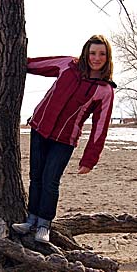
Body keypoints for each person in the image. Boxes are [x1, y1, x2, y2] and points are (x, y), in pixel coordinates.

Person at [12, 35, 117, 243]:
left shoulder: (105, 91)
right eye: (93, 53)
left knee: (50, 181)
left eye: (102, 54)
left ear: (107, 58)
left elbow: (100, 127)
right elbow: (35, 65)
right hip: (40, 127)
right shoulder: (68, 65)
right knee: (36, 177)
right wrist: (12, 59)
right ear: (86, 53)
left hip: (65, 139)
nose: (96, 58)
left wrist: (89, 160)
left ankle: (44, 224)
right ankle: (30, 220)